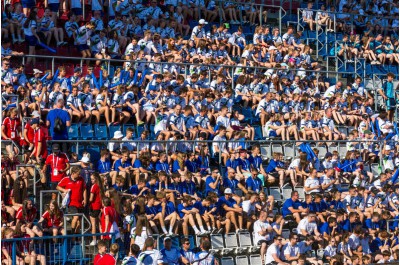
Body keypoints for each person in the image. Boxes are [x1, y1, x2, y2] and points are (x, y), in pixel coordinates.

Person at [56, 166, 87, 234]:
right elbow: (57, 186)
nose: (79, 175)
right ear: (73, 173)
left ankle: (76, 237)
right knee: (75, 217)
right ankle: (72, 235)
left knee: (79, 222)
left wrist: (85, 199)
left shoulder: (81, 179)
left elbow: (84, 189)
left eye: (80, 174)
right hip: (71, 203)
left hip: (80, 202)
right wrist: (64, 190)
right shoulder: (66, 179)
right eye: (78, 174)